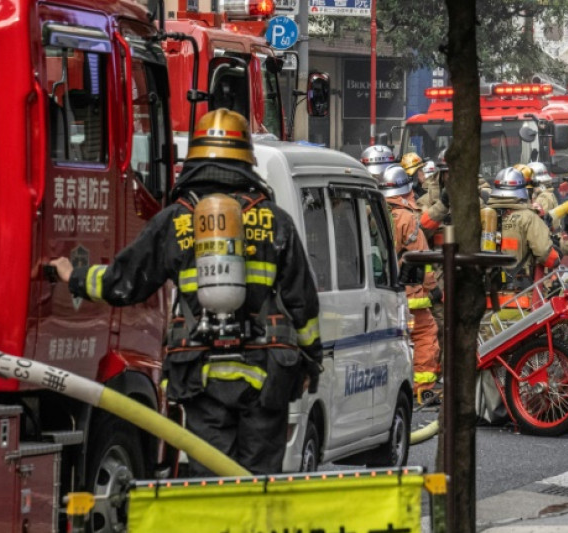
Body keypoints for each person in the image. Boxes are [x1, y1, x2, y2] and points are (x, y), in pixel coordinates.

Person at [49, 109, 322, 475]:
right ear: (246, 159)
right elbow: (303, 303)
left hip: (200, 375)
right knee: (258, 482)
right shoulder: (274, 221)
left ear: (194, 160)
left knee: (211, 479)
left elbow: (124, 282)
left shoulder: (176, 220)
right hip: (266, 375)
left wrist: (74, 276)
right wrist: (311, 362)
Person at [378, 164, 441, 403]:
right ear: (407, 190)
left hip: (381, 291)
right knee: (425, 334)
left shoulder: (373, 211)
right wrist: (433, 289)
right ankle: (423, 389)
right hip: (409, 294)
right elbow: (421, 258)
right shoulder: (406, 218)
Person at [486, 167, 562, 291]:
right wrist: (556, 252)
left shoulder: (485, 215)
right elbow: (546, 256)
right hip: (519, 293)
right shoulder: (529, 218)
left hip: (488, 292)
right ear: (522, 190)